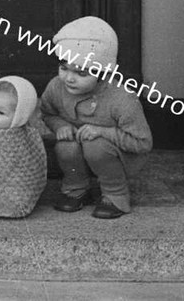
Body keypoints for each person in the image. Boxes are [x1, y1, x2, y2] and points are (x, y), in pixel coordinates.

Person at [39, 16, 152, 219]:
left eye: (81, 73)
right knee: (65, 144)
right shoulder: (57, 86)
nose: (69, 78)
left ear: (103, 72)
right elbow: (47, 112)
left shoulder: (121, 98)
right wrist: (60, 125)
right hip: (79, 152)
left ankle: (116, 194)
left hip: (119, 155)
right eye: (64, 68)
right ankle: (77, 189)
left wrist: (103, 132)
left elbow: (142, 143)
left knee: (96, 145)